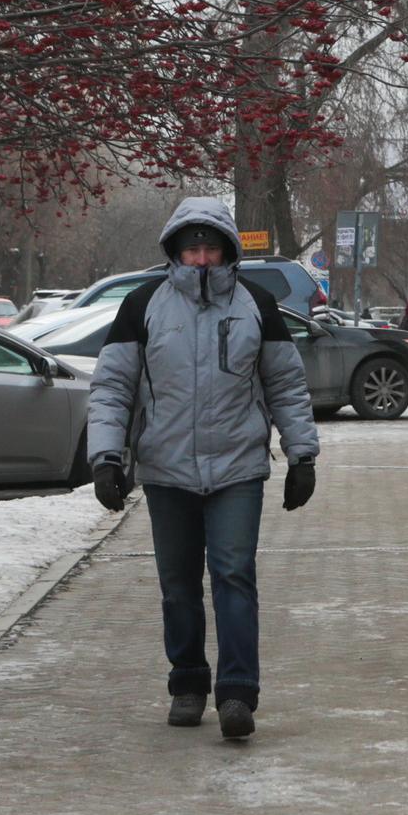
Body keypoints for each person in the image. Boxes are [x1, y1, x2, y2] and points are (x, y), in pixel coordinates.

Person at [85, 197, 321, 741]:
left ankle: (238, 693)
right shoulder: (142, 305)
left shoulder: (256, 305)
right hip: (167, 470)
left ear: (228, 249)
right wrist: (106, 457)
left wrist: (302, 454)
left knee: (234, 575)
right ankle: (188, 682)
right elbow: (113, 387)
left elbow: (286, 385)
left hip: (237, 466)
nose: (200, 257)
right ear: (174, 250)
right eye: (190, 246)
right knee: (178, 584)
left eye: (210, 245)